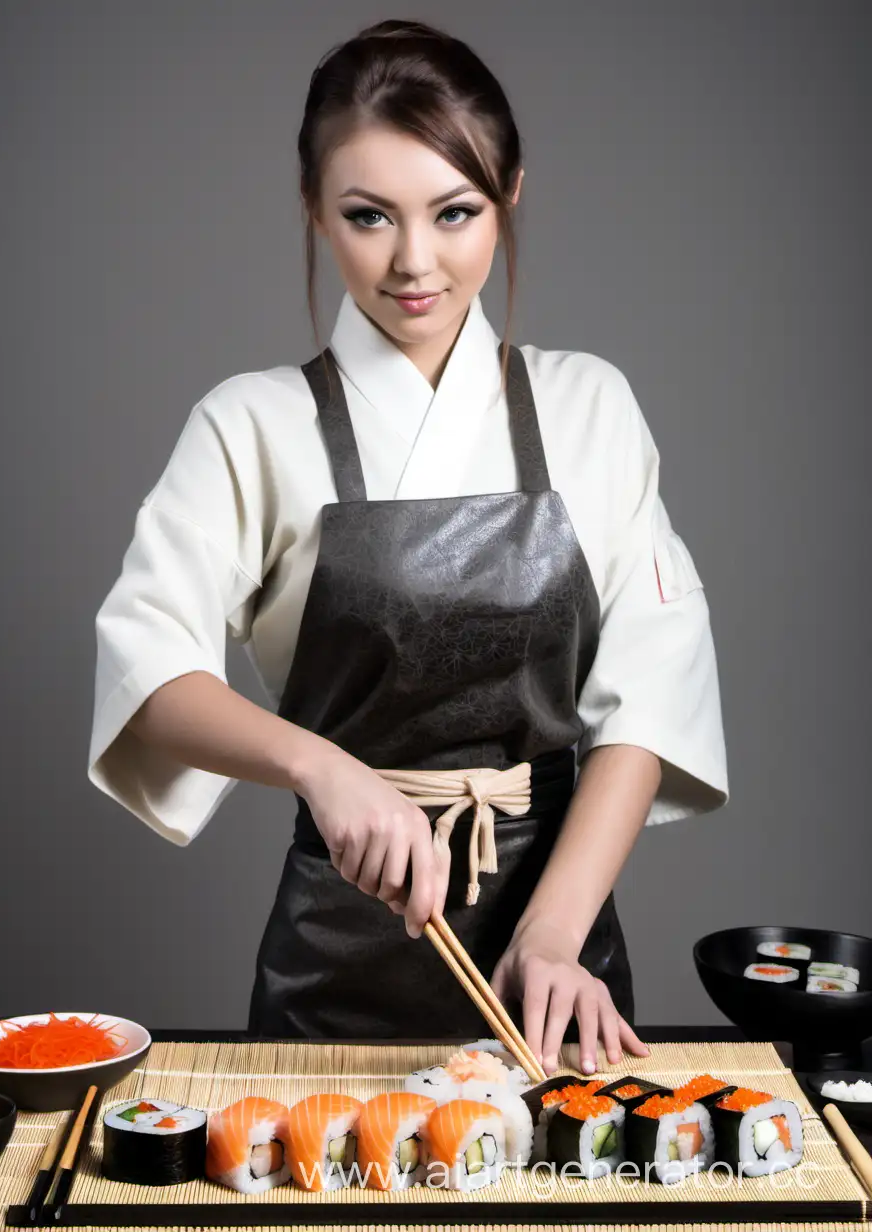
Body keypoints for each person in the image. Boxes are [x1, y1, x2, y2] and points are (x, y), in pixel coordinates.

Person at [88, 18, 727, 1076]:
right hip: (336, 956)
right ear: (313, 208)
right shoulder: (248, 423)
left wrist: (554, 936)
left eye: (455, 211)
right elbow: (150, 669)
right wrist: (321, 766)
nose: (413, 261)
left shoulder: (589, 405)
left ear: (509, 189)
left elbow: (650, 693)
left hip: (555, 961)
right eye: (368, 216)